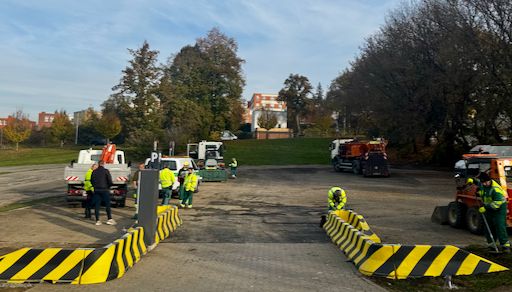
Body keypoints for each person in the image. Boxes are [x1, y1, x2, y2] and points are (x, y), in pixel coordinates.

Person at [469, 172, 510, 252]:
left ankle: (505, 246)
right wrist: (472, 181)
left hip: (499, 209)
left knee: (499, 225)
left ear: (489, 180)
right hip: (488, 208)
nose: (484, 184)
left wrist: (485, 207)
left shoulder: (495, 189)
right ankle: (491, 245)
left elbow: (497, 204)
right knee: (488, 226)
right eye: (482, 182)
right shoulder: (483, 184)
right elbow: (479, 183)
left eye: (485, 182)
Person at [91, 160, 116, 226]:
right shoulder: (106, 171)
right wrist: (108, 186)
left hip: (97, 190)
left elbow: (92, 181)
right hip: (104, 189)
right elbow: (110, 181)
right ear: (103, 164)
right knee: (107, 204)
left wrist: (95, 187)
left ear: (98, 164)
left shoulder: (94, 171)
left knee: (97, 205)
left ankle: (97, 220)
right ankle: (109, 219)